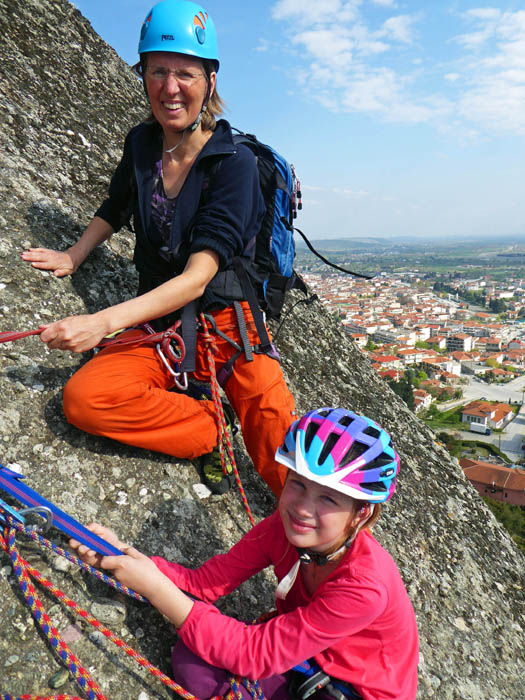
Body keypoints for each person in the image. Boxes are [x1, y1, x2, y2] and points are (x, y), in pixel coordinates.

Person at [21, 0, 296, 496]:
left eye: (185, 74)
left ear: (210, 81)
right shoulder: (143, 144)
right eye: (157, 71)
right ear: (144, 74)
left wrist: (103, 322)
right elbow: (117, 205)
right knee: (85, 399)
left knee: (284, 457)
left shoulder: (232, 165)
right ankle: (209, 429)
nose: (170, 87)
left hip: (227, 323)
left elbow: (197, 278)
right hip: (162, 325)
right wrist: (74, 255)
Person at [70, 408, 419, 700]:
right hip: (309, 660)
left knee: (201, 664)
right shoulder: (282, 529)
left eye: (328, 499)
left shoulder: (364, 587)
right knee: (193, 658)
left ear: (361, 514)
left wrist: (155, 589)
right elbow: (205, 583)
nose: (302, 508)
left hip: (353, 691)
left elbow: (253, 655)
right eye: (297, 484)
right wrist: (122, 555)